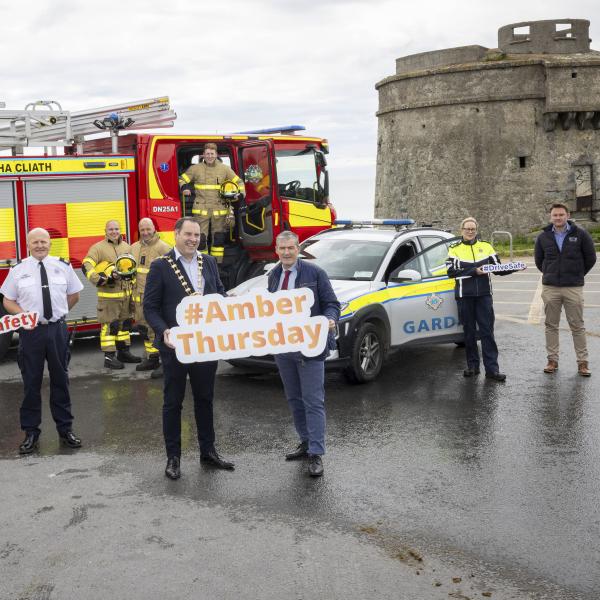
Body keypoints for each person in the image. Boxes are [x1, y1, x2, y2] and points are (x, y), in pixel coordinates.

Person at [143, 217, 234, 479]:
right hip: (175, 346)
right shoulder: (161, 266)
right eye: (188, 234)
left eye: (196, 235)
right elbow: (150, 307)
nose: (193, 239)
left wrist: (229, 302)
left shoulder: (209, 262)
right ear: (176, 234)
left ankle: (208, 452)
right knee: (173, 402)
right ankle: (174, 458)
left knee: (205, 399)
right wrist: (164, 330)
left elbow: (218, 293)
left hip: (205, 344)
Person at [1, 228, 83, 454]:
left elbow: (74, 295)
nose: (40, 245)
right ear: (28, 244)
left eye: (43, 241)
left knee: (61, 381)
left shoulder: (63, 266)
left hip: (56, 330)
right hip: (31, 333)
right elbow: (8, 300)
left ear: (49, 243)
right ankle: (31, 433)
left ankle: (65, 430)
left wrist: (59, 315)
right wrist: (23, 317)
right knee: (31, 384)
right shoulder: (18, 270)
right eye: (35, 242)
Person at [267, 231, 340, 477]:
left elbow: (332, 304)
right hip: (283, 347)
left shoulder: (315, 273)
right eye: (282, 248)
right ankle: (306, 442)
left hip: (310, 345)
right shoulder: (274, 275)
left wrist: (330, 319)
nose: (286, 253)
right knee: (294, 398)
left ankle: (316, 453)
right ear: (276, 250)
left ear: (298, 249)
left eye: (291, 248)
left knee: (313, 400)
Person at [446, 217, 516, 382]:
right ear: (461, 230)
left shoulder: (486, 246)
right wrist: (474, 271)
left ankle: (492, 370)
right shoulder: (454, 249)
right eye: (467, 229)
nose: (470, 232)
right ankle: (473, 366)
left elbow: (497, 268)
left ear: (476, 230)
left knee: (487, 332)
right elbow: (451, 272)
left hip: (484, 296)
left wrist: (512, 267)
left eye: (473, 229)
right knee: (469, 333)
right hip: (465, 296)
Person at [534, 203, 596, 376]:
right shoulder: (543, 237)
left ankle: (582, 363)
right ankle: (552, 360)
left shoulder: (580, 234)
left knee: (577, 326)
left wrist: (576, 274)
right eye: (555, 215)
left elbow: (590, 258)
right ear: (550, 217)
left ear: (568, 215)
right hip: (551, 287)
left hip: (573, 288)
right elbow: (539, 261)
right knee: (551, 325)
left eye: (561, 215)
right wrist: (551, 274)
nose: (558, 218)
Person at [82, 220, 141, 369]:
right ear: (105, 231)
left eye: (116, 229)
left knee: (125, 325)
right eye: (111, 229)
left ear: (120, 230)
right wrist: (102, 279)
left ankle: (124, 352)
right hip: (109, 297)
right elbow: (86, 264)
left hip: (126, 295)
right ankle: (109, 357)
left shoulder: (127, 247)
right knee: (110, 326)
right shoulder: (98, 248)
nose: (114, 231)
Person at [178, 143, 245, 263]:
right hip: (201, 210)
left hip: (219, 210)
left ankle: (216, 264)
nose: (209, 156)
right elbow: (182, 179)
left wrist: (240, 194)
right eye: (207, 154)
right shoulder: (195, 169)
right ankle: (201, 263)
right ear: (203, 154)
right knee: (201, 239)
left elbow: (239, 182)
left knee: (218, 239)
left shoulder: (224, 169)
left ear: (216, 154)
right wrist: (184, 188)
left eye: (212, 154)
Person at [130, 218, 171, 378]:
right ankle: (153, 358)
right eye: (142, 230)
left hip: (157, 299)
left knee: (159, 329)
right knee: (145, 329)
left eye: (148, 229)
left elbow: (171, 274)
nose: (145, 232)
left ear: (154, 229)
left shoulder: (164, 248)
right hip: (140, 298)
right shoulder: (134, 248)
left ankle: (165, 362)